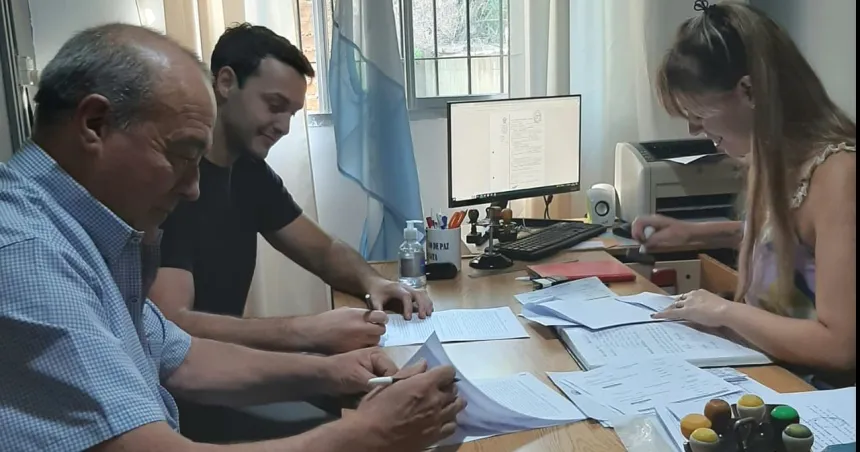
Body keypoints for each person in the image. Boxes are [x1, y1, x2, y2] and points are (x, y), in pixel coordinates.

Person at [0, 23, 464, 451]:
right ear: (94, 124)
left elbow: (179, 357)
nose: (193, 187)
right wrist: (368, 433)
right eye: (182, 155)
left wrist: (332, 370)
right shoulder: (29, 255)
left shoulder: (88, 228)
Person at [149, 23, 432, 357]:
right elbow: (173, 324)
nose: (284, 126)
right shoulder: (177, 184)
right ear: (225, 82)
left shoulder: (249, 172)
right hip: (187, 379)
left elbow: (324, 251)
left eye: (291, 113)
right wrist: (307, 331)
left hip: (231, 364)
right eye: (274, 105)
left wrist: (373, 282)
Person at [635, 1, 855, 387]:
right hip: (770, 371)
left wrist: (723, 311)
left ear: (749, 90)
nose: (693, 130)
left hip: (821, 395)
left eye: (699, 113)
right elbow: (791, 241)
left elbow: (840, 345)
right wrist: (696, 233)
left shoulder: (840, 175)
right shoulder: (768, 154)